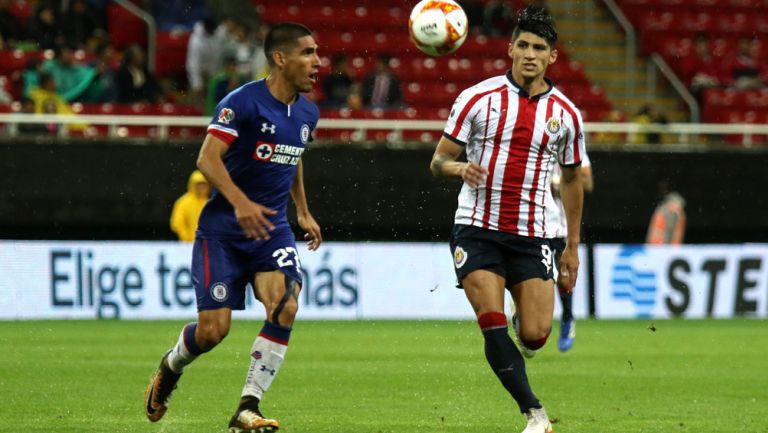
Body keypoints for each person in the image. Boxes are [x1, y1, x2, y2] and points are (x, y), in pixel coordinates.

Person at [144, 23, 323, 433]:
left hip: (271, 230)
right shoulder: (241, 102)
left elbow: (292, 155)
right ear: (281, 58)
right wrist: (241, 204)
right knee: (212, 332)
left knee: (286, 304)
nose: (318, 62)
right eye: (309, 53)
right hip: (223, 231)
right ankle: (170, 367)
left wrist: (303, 210)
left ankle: (247, 407)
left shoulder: (308, 113)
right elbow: (207, 159)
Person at [429, 7, 584, 433]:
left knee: (534, 335)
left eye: (539, 48)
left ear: (552, 56)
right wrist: (459, 168)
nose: (530, 54)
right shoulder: (477, 98)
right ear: (510, 48)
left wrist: (571, 246)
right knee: (491, 323)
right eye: (523, 45)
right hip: (476, 226)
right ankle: (535, 415)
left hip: (534, 234)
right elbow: (438, 161)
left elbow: (572, 181)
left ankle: (522, 320)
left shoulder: (566, 115)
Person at [546, 153, 593, 352]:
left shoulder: (575, 151)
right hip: (534, 225)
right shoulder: (533, 143)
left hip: (561, 227)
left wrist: (558, 183)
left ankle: (567, 317)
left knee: (564, 279)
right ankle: (523, 316)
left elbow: (588, 183)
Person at [170, 170, 211, 242]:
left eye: (203, 184)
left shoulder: (209, 203)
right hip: (187, 244)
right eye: (198, 184)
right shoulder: (183, 202)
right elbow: (177, 223)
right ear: (192, 184)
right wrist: (186, 238)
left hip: (206, 244)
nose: (201, 187)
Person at [646, 179, 686, 245]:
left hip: (661, 247)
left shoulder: (671, 207)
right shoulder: (673, 206)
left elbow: (669, 230)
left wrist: (666, 248)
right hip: (661, 247)